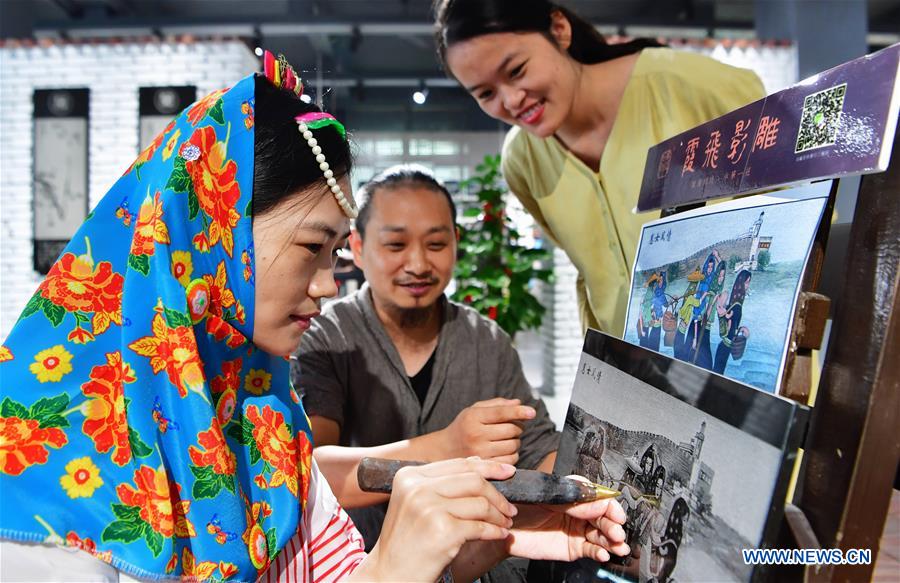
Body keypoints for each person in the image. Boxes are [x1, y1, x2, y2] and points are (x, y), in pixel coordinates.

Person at [0, 54, 629, 582]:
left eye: (438, 243)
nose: (327, 284)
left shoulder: (255, 406)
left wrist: (483, 534)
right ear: (211, 235)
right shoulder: (46, 485)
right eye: (312, 249)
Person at [434, 0, 766, 334]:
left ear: (559, 30)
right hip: (627, 371)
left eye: (517, 70)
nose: (510, 101)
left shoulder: (692, 86)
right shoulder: (522, 160)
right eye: (486, 93)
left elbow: (798, 217)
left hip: (736, 352)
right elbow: (592, 273)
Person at [293, 165, 560, 558]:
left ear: (456, 242)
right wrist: (447, 445)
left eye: (435, 245)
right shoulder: (327, 338)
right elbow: (309, 472)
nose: (418, 264)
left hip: (476, 564)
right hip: (366, 565)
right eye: (396, 246)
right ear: (359, 246)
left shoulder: (486, 342)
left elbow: (542, 450)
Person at [714, 269, 752, 374]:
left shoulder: (735, 304)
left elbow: (732, 328)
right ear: (741, 282)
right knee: (717, 374)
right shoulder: (736, 306)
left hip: (725, 346)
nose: (748, 285)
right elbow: (728, 329)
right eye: (747, 282)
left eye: (749, 282)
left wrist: (741, 330)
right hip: (725, 346)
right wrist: (723, 315)